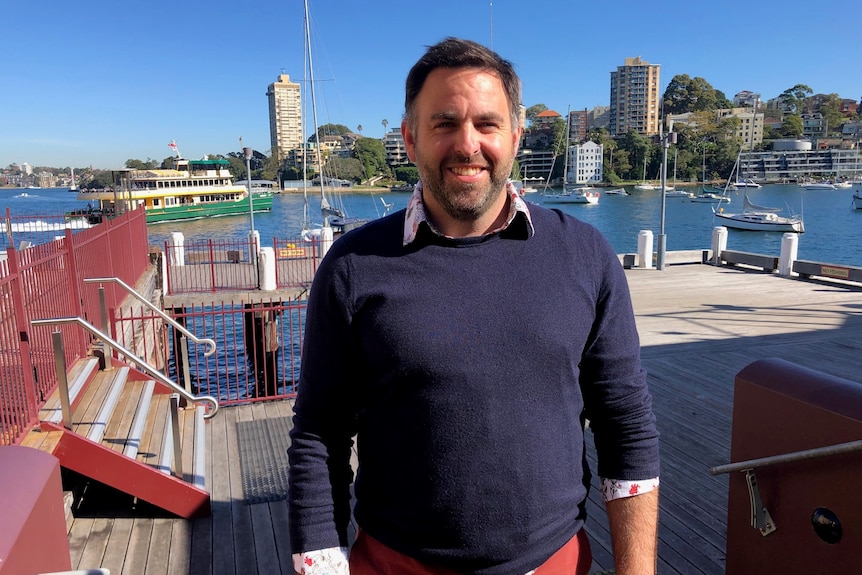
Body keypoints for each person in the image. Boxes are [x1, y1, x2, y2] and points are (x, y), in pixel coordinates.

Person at [288, 37, 660, 575]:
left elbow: (624, 422)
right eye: (444, 124)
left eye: (486, 124)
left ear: (515, 136)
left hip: (551, 562)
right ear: (410, 139)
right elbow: (319, 433)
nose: (468, 145)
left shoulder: (586, 256)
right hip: (395, 564)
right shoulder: (352, 266)